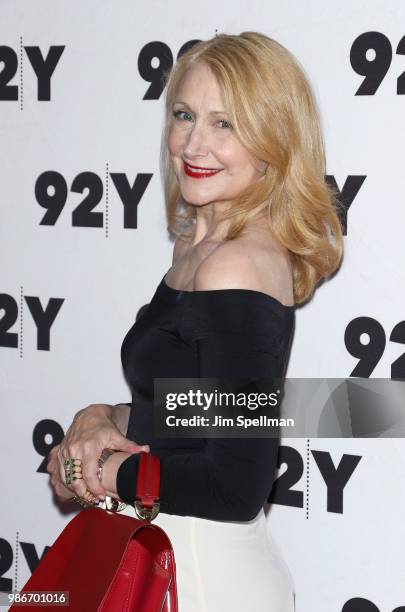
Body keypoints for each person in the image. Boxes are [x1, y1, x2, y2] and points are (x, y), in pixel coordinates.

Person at [47, 31, 343, 611]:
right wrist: (102, 418)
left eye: (225, 124)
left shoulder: (236, 265)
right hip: (170, 559)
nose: (193, 144)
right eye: (185, 115)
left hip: (203, 577)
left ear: (272, 144)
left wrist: (105, 471)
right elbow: (194, 421)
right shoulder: (198, 249)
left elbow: (235, 482)